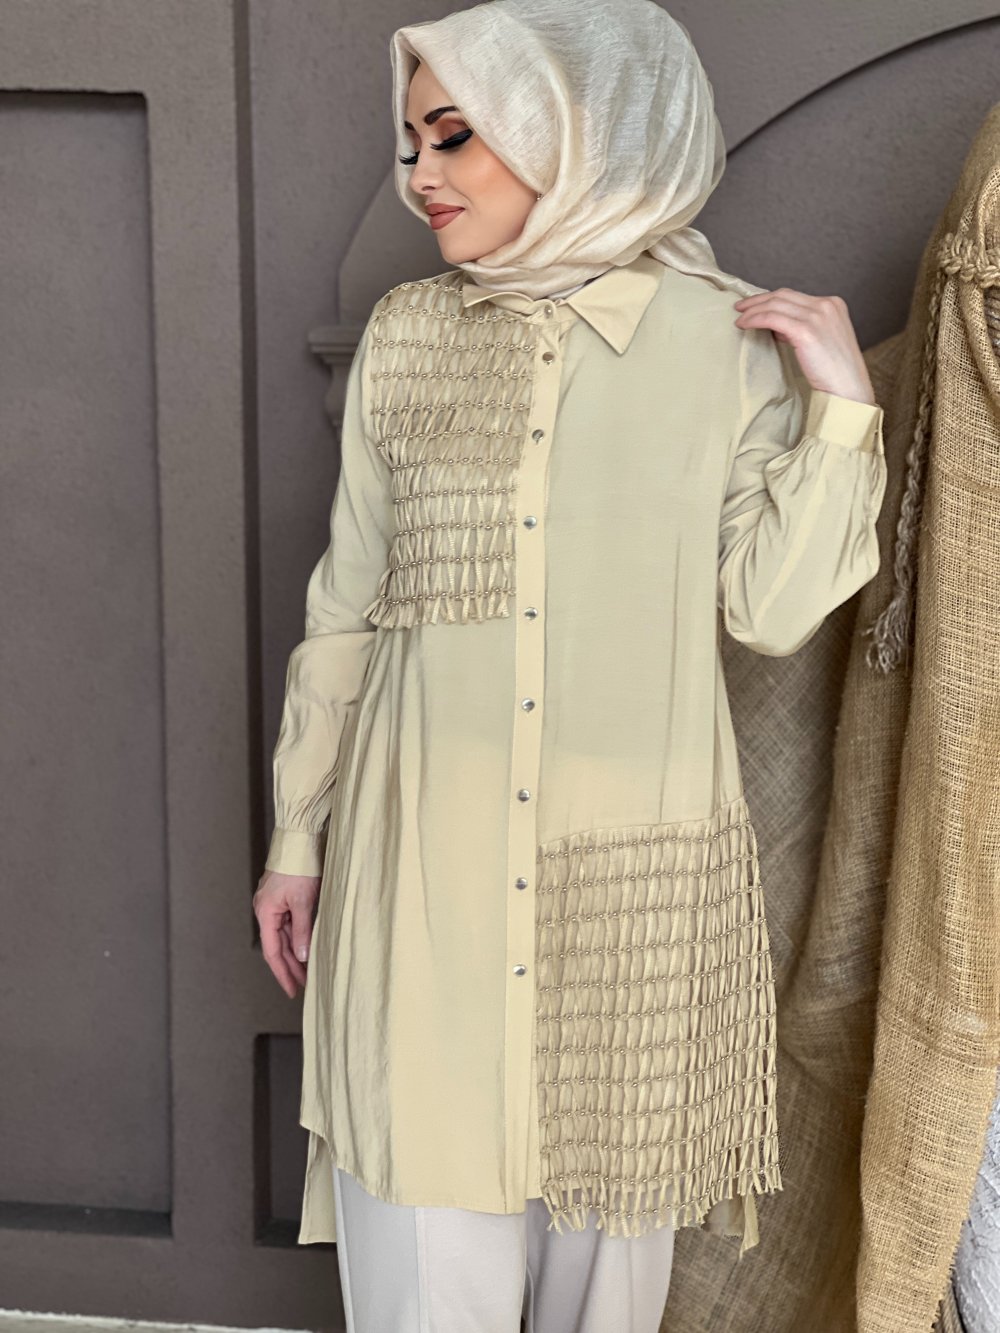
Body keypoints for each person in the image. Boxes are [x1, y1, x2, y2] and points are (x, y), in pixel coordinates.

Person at [252, 2, 888, 1329]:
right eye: (410, 143)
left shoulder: (726, 343)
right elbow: (348, 603)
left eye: (454, 137)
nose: (419, 177)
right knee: (423, 1275)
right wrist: (297, 838)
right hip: (421, 887)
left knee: (606, 1295)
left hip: (633, 912)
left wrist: (841, 409)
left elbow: (774, 609)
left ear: (573, 135)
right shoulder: (408, 336)